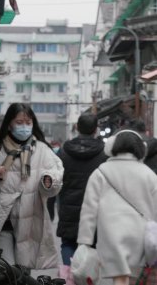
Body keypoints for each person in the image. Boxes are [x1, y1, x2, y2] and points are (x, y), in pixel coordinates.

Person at [0, 103, 64, 273]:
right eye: (19, 122)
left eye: (28, 122)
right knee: (6, 271)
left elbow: (56, 174)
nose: (24, 127)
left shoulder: (42, 150)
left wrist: (48, 181)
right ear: (9, 123)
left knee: (23, 274)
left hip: (30, 222)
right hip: (1, 221)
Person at [78, 130, 157, 285]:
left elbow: (89, 210)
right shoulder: (150, 175)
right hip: (139, 236)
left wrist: (84, 242)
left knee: (119, 277)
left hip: (110, 235)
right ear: (141, 149)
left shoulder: (100, 172)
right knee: (135, 276)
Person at [56, 113, 107, 283]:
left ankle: (69, 278)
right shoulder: (104, 153)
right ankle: (87, 279)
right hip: (95, 209)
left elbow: (56, 179)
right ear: (95, 129)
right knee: (90, 245)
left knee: (68, 244)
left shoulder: (64, 151)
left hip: (68, 207)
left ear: (77, 127)